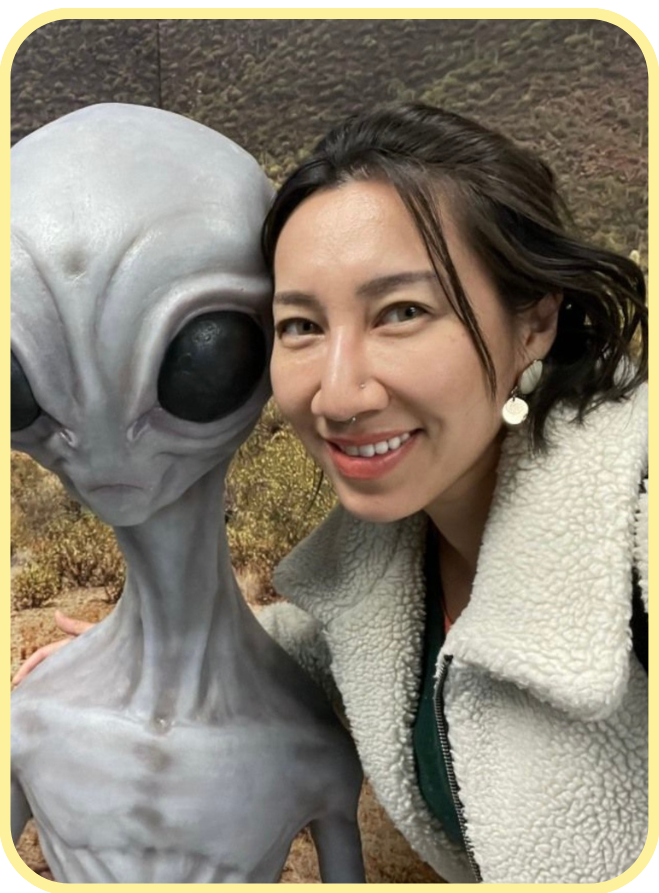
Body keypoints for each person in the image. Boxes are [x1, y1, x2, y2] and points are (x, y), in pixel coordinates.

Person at [13, 103, 648, 884]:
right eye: (299, 325)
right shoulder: (389, 569)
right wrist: (148, 645)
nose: (339, 394)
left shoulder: (636, 534)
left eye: (402, 312)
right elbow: (351, 635)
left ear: (535, 321)